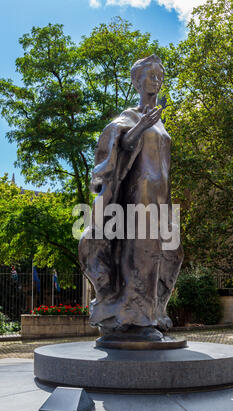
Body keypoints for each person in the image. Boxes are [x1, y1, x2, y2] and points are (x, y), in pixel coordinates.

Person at [79, 55, 184, 340]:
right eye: (151, 75)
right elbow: (119, 144)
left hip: (161, 197)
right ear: (136, 81)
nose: (157, 80)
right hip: (138, 197)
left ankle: (155, 312)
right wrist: (140, 126)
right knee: (141, 256)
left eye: (160, 75)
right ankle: (138, 320)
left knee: (170, 255)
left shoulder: (161, 123)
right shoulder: (130, 117)